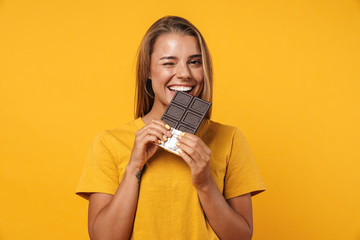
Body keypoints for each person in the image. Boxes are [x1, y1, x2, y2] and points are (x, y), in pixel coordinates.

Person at [76, 16, 265, 240]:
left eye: (194, 62)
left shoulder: (229, 139)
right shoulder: (108, 143)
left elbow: (241, 238)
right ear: (148, 70)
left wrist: (205, 183)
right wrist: (134, 166)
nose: (184, 73)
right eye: (169, 63)